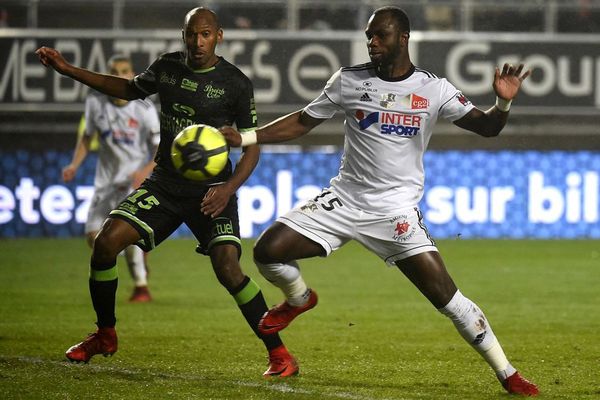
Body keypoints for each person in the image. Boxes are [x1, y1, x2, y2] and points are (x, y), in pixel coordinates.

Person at [220, 6, 539, 396]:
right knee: (268, 250)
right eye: (369, 35)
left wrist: (503, 103)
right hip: (345, 199)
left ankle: (508, 373)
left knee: (447, 298)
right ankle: (299, 298)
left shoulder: (433, 89)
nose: (372, 43)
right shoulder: (348, 81)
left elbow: (488, 127)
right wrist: (247, 137)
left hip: (395, 212)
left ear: (402, 38)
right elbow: (304, 121)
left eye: (380, 36)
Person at [35, 7, 298, 377]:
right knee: (106, 243)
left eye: (205, 34)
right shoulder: (168, 67)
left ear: (218, 35)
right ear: (184, 35)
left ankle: (280, 354)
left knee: (227, 268)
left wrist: (228, 188)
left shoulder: (235, 83)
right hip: (166, 184)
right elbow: (128, 88)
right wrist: (69, 70)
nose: (198, 42)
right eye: (192, 34)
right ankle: (104, 334)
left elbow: (251, 146)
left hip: (212, 191)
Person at [62, 55, 159, 303]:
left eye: (124, 71)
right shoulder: (96, 102)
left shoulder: (144, 108)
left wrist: (144, 172)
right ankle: (136, 256)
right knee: (94, 236)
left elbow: (161, 148)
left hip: (132, 181)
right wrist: (74, 164)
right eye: (114, 71)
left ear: (132, 74)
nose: (119, 75)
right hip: (104, 182)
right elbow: (87, 138)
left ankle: (141, 287)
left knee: (119, 235)